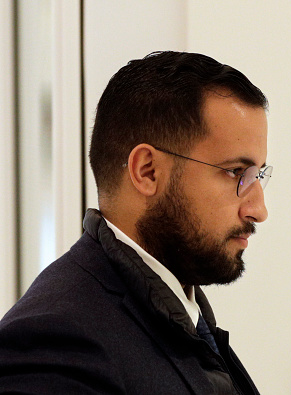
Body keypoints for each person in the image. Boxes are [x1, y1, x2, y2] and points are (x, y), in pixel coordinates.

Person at [0, 51, 272, 394]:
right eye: (236, 172)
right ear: (147, 171)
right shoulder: (56, 346)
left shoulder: (183, 316)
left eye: (257, 175)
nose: (258, 209)